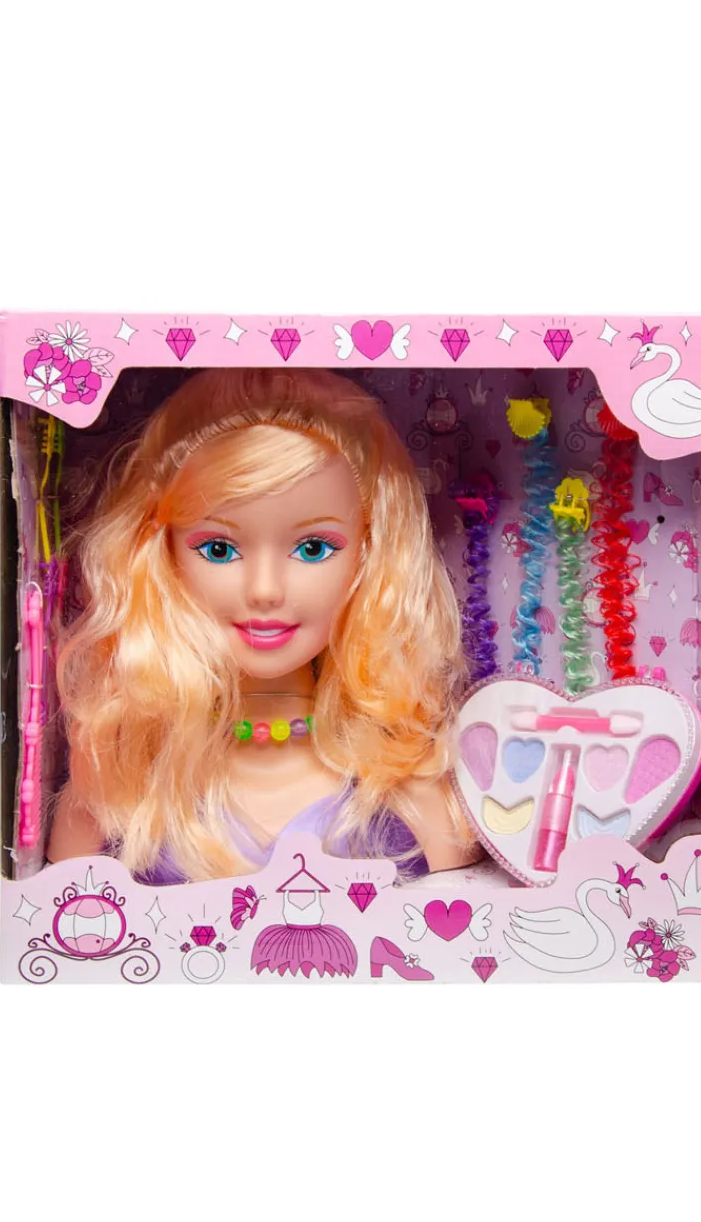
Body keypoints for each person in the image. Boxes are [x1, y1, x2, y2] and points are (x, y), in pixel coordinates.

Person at [49, 366, 477, 886]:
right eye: (219, 549)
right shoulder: (120, 788)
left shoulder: (412, 794)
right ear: (162, 554)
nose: (265, 589)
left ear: (369, 554)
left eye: (313, 548)